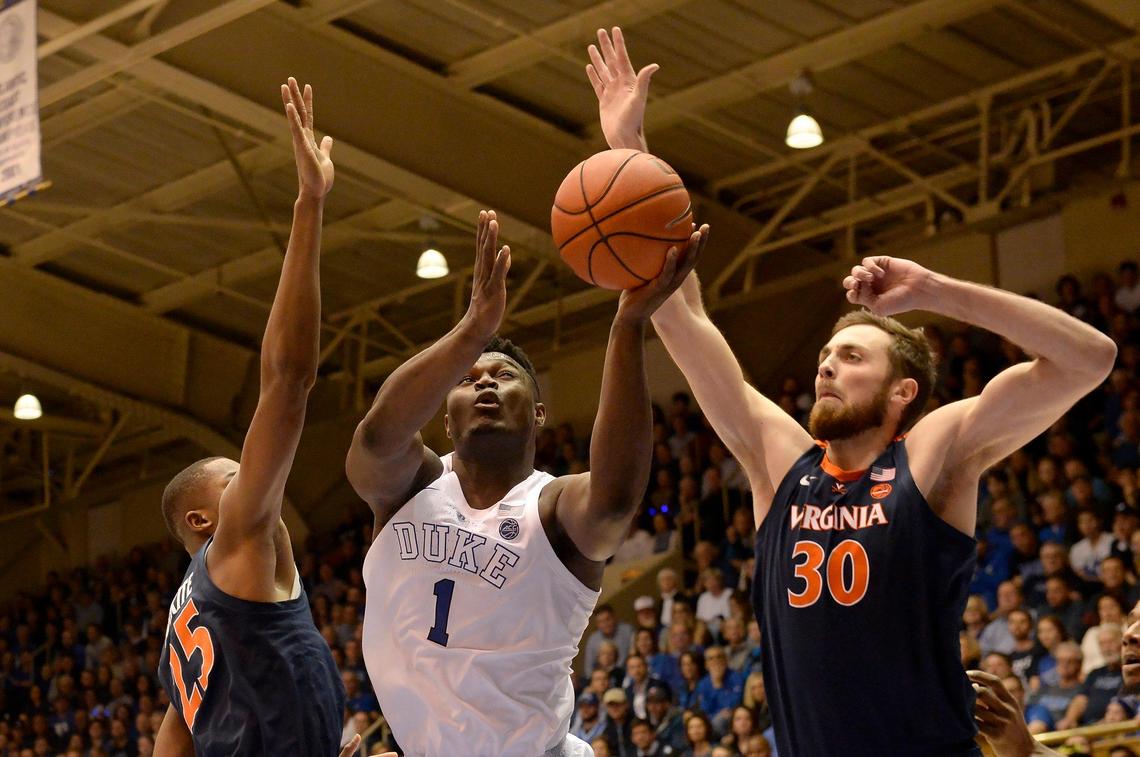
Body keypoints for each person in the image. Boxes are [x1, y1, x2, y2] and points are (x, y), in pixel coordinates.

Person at [584, 26, 1117, 755]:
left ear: (903, 390)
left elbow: (1090, 357)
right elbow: (686, 314)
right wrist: (629, 154)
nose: (826, 365)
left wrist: (936, 290)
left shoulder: (932, 457)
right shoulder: (782, 462)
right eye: (826, 354)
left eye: (851, 354)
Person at [347, 196, 703, 755]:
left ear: (538, 411)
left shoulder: (551, 506)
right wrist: (470, 331)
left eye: (505, 375)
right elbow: (374, 439)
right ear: (445, 415)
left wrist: (628, 327)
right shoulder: (409, 488)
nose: (485, 383)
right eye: (468, 379)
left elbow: (612, 503)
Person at [152, 80, 355, 757]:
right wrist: (309, 205)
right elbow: (288, 380)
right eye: (237, 475)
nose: (258, 476)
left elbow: (174, 734)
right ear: (202, 521)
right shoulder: (235, 540)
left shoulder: (182, 619)